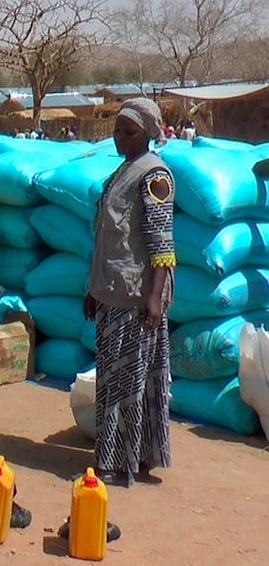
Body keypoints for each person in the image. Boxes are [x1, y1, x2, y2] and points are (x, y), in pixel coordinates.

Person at [84, 98, 174, 487]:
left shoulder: (154, 177)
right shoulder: (123, 172)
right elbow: (107, 238)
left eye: (129, 131)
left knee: (131, 382)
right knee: (112, 381)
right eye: (117, 129)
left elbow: (162, 245)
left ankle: (125, 462)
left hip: (136, 298)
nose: (119, 137)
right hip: (111, 292)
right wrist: (92, 290)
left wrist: (154, 298)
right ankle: (117, 457)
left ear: (149, 134)